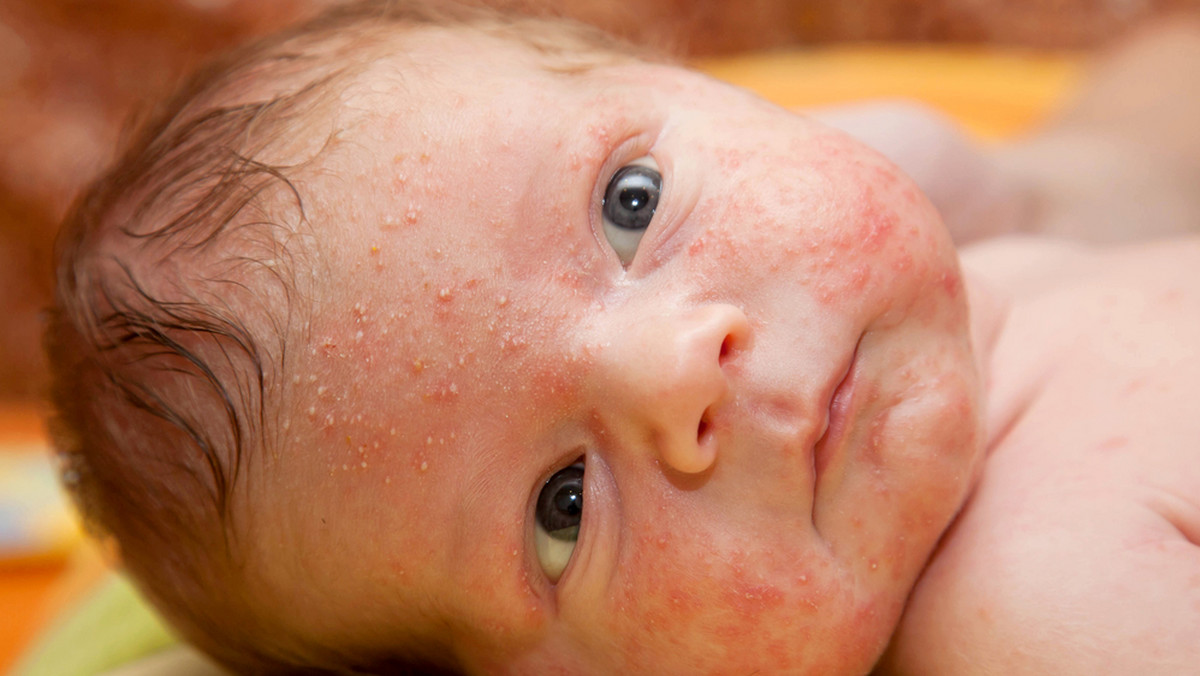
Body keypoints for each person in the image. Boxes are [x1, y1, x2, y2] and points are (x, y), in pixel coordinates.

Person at [43, 1, 1200, 674]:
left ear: (698, 86)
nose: (677, 368)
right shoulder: (1049, 614)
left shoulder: (971, 224)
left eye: (632, 204)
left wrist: (1023, 188)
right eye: (565, 506)